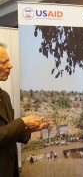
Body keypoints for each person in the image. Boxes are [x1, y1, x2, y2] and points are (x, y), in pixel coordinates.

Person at [0, 42, 51, 177]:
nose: (10, 66)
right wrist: (22, 123)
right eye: (4, 62)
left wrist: (28, 129)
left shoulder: (4, 96)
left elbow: (8, 131)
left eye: (9, 61)